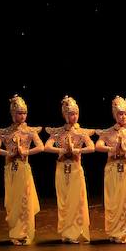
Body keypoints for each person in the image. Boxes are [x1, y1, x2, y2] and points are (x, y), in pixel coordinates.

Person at [0, 95, 44, 245]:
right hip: (10, 170)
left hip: (23, 169)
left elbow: (40, 147)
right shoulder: (6, 132)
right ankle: (15, 233)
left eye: (24, 113)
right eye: (19, 113)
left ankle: (25, 233)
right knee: (13, 202)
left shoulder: (30, 131)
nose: (22, 116)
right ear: (12, 114)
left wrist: (26, 152)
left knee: (25, 201)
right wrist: (8, 153)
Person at [44, 96, 95, 243]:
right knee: (64, 201)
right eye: (71, 114)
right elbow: (47, 147)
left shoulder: (81, 132)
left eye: (76, 114)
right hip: (61, 169)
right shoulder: (59, 132)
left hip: (75, 169)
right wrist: (60, 151)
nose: (74, 117)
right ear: (65, 115)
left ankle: (74, 232)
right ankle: (66, 233)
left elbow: (91, 147)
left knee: (76, 201)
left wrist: (77, 151)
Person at [95, 96, 126, 243]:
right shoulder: (109, 132)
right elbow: (98, 145)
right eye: (120, 114)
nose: (123, 116)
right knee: (113, 201)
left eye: (125, 113)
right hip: (111, 168)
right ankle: (113, 232)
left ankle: (123, 232)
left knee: (125, 200)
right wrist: (111, 148)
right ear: (115, 115)